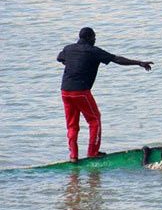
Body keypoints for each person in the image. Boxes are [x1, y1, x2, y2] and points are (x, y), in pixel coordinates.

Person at [57, 27, 153, 163]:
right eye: (94, 37)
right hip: (81, 92)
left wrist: (72, 64)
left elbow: (60, 58)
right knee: (94, 120)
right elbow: (117, 59)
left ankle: (73, 156)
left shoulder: (68, 48)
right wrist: (139, 63)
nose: (95, 40)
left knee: (72, 125)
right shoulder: (93, 51)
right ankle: (93, 153)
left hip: (65, 91)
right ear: (90, 38)